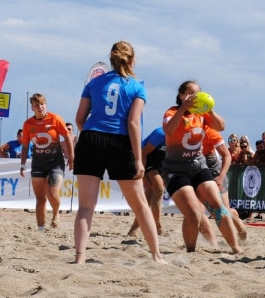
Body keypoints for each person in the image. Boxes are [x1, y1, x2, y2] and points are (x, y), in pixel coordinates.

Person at [72, 41, 164, 265]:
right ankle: (156, 255)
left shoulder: (95, 82)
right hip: (120, 142)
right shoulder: (137, 87)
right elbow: (133, 123)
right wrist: (139, 159)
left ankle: (80, 258)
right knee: (141, 205)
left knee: (86, 206)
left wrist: (91, 137)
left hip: (91, 138)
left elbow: (79, 119)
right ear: (132, 60)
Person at [162, 81, 242, 254]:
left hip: (199, 166)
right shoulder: (172, 112)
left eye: (197, 94)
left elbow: (221, 126)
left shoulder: (203, 116)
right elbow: (168, 130)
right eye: (190, 93)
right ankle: (191, 250)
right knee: (193, 213)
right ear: (181, 95)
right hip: (176, 170)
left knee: (218, 206)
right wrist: (184, 108)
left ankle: (235, 248)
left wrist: (209, 109)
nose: (193, 97)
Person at [21, 94, 75, 231]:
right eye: (36, 105)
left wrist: (71, 156)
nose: (40, 107)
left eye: (42, 104)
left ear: (46, 105)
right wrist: (22, 164)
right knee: (40, 199)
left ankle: (56, 214)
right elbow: (25, 146)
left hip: (55, 162)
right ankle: (41, 229)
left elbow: (67, 136)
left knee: (52, 193)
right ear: (32, 108)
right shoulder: (28, 124)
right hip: (38, 163)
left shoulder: (55, 119)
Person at [202, 126, 248, 242]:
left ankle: (240, 227)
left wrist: (221, 176)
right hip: (201, 175)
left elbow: (226, 156)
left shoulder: (209, 131)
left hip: (216, 174)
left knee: (224, 211)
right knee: (207, 210)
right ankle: (210, 242)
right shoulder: (188, 132)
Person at [127, 127, 167, 237]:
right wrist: (143, 177)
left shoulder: (183, 134)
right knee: (158, 189)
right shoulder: (161, 133)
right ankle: (158, 227)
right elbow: (143, 154)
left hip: (161, 160)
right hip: (145, 158)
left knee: (150, 193)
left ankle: (134, 229)